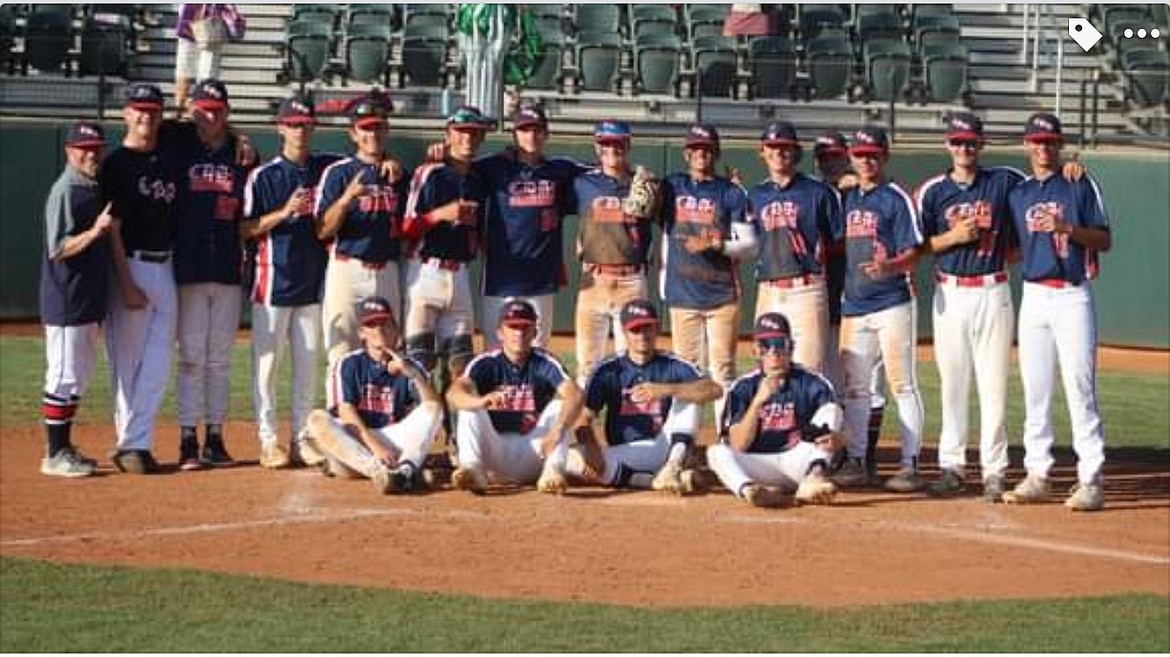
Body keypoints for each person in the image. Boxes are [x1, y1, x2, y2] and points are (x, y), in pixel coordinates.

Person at [1003, 112, 1112, 511]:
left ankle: (1091, 477)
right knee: (1036, 390)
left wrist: (1068, 229)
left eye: (1049, 142)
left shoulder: (1079, 184)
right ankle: (1038, 473)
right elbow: (1014, 246)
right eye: (1035, 141)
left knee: (1080, 389)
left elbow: (1104, 239)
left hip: (1072, 295)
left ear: (1059, 144)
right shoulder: (1019, 192)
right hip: (1033, 295)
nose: (1042, 148)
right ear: (1026, 145)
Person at [916, 113, 1022, 501]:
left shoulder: (1004, 181)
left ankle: (995, 471)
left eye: (971, 142)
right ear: (947, 145)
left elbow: (1042, 194)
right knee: (953, 385)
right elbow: (917, 247)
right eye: (958, 142)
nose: (964, 148)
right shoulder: (932, 191)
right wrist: (952, 237)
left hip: (993, 290)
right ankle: (952, 467)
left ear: (982, 145)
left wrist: (1071, 169)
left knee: (993, 386)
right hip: (950, 293)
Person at [241, 96, 337, 469]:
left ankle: (301, 438)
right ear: (280, 128)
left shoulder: (325, 166)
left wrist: (391, 160)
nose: (300, 130)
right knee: (267, 366)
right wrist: (283, 213)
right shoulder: (264, 176)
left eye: (305, 123)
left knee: (307, 365)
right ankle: (268, 441)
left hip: (312, 283)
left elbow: (364, 162)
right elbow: (245, 228)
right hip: (272, 282)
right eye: (293, 123)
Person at [833, 126, 926, 493]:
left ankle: (910, 464)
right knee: (856, 388)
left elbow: (915, 253)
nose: (866, 160)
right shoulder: (848, 197)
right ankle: (856, 462)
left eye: (873, 154)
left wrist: (890, 266)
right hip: (855, 304)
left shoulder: (895, 197)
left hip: (892, 302)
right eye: (860, 155)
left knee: (902, 383)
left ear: (885, 157)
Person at [99, 84, 181, 475]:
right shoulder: (115, 165)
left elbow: (212, 128)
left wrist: (239, 137)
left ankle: (138, 441)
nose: (146, 116)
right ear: (125, 115)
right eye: (139, 109)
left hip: (166, 267)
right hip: (129, 265)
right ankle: (130, 444)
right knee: (127, 363)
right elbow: (111, 228)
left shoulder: (170, 157)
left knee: (158, 363)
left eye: (152, 110)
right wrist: (126, 282)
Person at [568, 299, 722, 493]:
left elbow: (715, 389)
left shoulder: (672, 364)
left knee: (689, 394)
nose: (642, 335)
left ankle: (673, 466)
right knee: (569, 459)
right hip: (628, 452)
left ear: (657, 328)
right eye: (635, 329)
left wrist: (666, 390)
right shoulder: (608, 370)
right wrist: (590, 447)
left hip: (666, 445)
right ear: (624, 332)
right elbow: (583, 417)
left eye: (647, 328)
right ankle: (652, 480)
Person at [171, 78, 247, 470]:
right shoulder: (179, 144)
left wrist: (239, 138)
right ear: (192, 109)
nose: (210, 115)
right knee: (191, 357)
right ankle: (187, 438)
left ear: (227, 113)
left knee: (219, 359)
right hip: (189, 266)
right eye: (203, 108)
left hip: (228, 268)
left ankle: (215, 437)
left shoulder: (241, 155)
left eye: (217, 109)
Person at [658, 123, 757, 419]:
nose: (702, 154)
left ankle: (726, 439)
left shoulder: (731, 192)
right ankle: (684, 443)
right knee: (687, 373)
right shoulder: (671, 186)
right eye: (696, 149)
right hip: (682, 291)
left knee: (723, 370)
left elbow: (750, 246)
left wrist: (719, 245)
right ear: (687, 154)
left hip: (721, 294)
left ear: (716, 152)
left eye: (708, 149)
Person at [315, 98, 410, 396]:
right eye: (365, 129)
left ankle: (383, 420)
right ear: (353, 134)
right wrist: (346, 199)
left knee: (388, 350)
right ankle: (339, 421)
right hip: (348, 267)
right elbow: (321, 230)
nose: (372, 134)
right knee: (340, 351)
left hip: (387, 270)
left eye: (378, 127)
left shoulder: (397, 175)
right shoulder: (339, 172)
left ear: (387, 130)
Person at [302, 296, 443, 494]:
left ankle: (405, 469)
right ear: (361, 333)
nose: (379, 330)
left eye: (384, 323)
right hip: (357, 442)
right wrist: (375, 447)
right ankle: (386, 473)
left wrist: (411, 374)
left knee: (434, 407)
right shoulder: (349, 364)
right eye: (371, 325)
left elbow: (434, 411)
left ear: (396, 329)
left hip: (395, 440)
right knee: (317, 419)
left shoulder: (412, 365)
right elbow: (345, 411)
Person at [37, 121, 114, 477]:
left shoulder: (91, 185)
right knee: (63, 374)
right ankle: (54, 453)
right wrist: (96, 232)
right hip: (66, 296)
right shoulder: (66, 189)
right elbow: (58, 249)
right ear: (69, 151)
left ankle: (65, 447)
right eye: (84, 148)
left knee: (79, 375)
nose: (91, 153)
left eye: (96, 147)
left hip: (86, 296)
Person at [475, 103, 585, 349]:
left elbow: (601, 173)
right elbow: (458, 166)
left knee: (537, 350)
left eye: (537, 130)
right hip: (501, 278)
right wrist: (437, 154)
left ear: (546, 133)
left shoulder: (560, 169)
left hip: (541, 278)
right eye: (524, 130)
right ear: (514, 135)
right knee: (495, 351)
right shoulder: (495, 167)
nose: (531, 136)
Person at [447, 299, 584, 494]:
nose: (519, 333)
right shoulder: (486, 362)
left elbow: (575, 395)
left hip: (535, 452)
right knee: (470, 409)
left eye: (525, 327)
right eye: (512, 327)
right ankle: (472, 469)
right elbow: (454, 393)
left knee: (558, 407)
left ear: (535, 333)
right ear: (500, 332)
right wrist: (481, 401)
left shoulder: (545, 362)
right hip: (495, 454)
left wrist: (558, 430)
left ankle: (553, 472)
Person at [708, 313, 845, 508]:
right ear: (755, 351)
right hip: (759, 465)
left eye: (781, 344)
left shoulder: (812, 382)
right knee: (716, 453)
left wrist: (840, 439)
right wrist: (757, 403)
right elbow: (738, 445)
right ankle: (751, 491)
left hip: (799, 463)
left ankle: (814, 478)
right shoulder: (742, 388)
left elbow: (838, 425)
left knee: (832, 410)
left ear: (791, 348)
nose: (774, 353)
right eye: (766, 347)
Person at [401, 105, 492, 395]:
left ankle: (456, 437)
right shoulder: (429, 173)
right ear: (448, 135)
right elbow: (405, 228)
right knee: (419, 361)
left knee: (460, 363)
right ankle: (420, 438)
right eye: (461, 132)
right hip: (425, 270)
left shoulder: (479, 179)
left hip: (460, 274)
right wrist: (442, 214)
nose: (467, 139)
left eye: (474, 133)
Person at [814, 131, 887, 479]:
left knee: (870, 382)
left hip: (868, 296)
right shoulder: (815, 193)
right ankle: (841, 453)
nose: (830, 163)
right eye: (823, 157)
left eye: (835, 156)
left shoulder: (870, 192)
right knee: (833, 381)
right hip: (825, 299)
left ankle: (865, 456)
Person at [746, 120, 843, 376]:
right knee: (766, 368)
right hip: (768, 289)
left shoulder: (818, 191)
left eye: (785, 147)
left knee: (809, 370)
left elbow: (837, 240)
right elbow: (749, 243)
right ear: (762, 151)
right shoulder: (755, 195)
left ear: (796, 152)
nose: (778, 152)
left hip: (806, 288)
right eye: (773, 147)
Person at [571, 120, 660, 387]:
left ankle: (629, 426)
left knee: (632, 360)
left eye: (619, 143)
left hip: (631, 281)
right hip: (593, 280)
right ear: (597, 147)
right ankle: (584, 424)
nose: (613, 149)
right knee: (587, 363)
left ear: (628, 145)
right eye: (606, 143)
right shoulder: (582, 183)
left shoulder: (645, 183)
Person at [173, 4, 245, 115]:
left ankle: (191, 111)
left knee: (199, 75)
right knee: (189, 74)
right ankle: (181, 110)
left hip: (205, 26)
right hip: (198, 24)